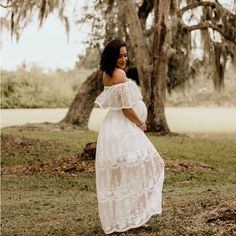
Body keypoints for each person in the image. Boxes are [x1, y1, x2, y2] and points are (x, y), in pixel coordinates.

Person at [95, 39, 165, 234]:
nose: (124, 59)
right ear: (112, 56)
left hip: (111, 129)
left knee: (119, 176)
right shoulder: (120, 74)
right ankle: (136, 216)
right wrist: (140, 123)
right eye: (120, 56)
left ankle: (126, 219)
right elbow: (126, 108)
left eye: (125, 55)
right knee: (153, 165)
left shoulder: (106, 74)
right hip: (124, 128)